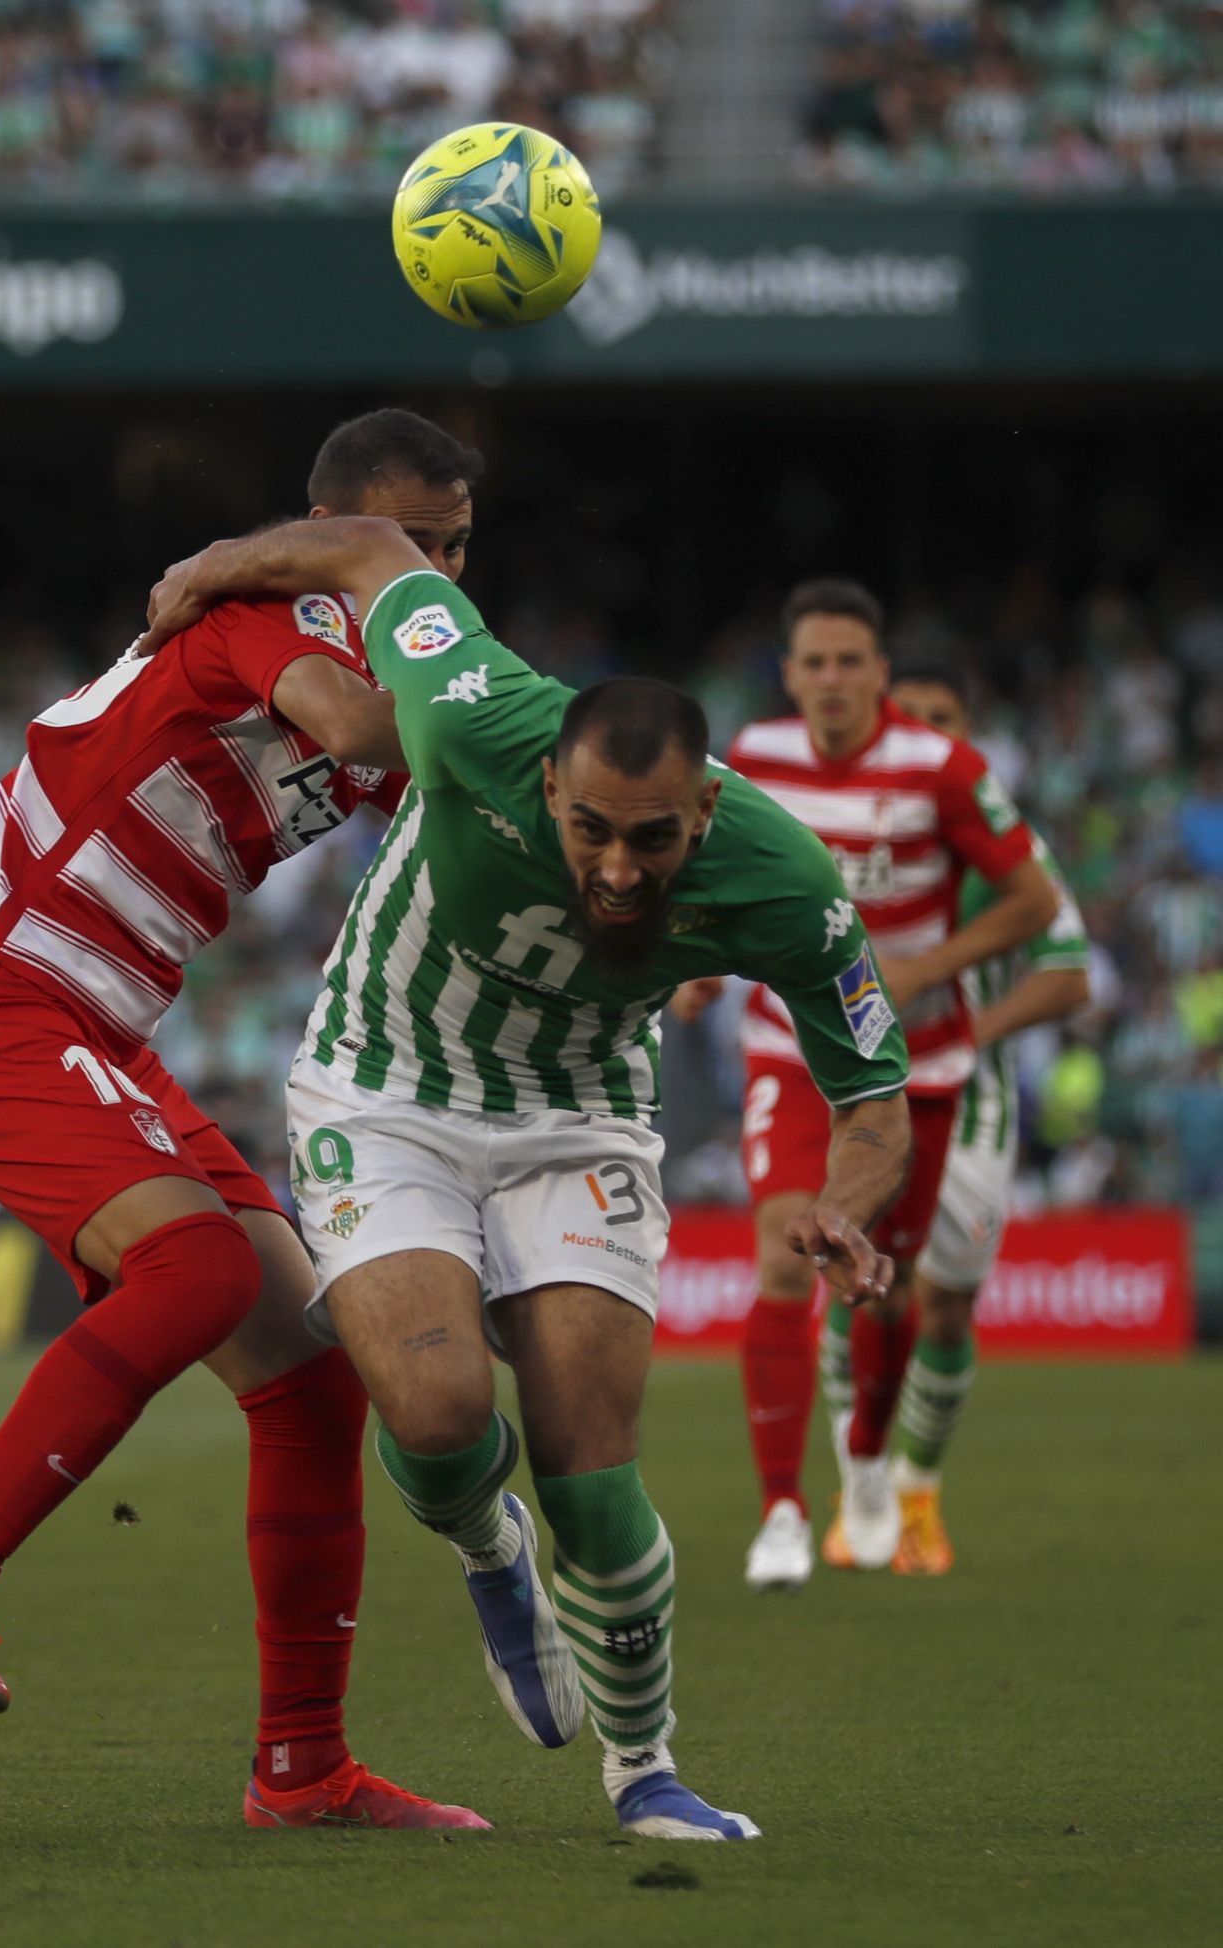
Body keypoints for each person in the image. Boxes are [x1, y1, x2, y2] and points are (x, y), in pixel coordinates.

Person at [139, 514, 914, 1841]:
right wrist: (208, 571)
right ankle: (488, 1549)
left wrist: (844, 1203)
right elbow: (377, 548)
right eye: (594, 831)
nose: (620, 871)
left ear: (707, 810)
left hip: (579, 1115)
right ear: (546, 785)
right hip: (386, 1089)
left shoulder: (787, 881)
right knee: (439, 1418)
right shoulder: (468, 710)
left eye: (656, 841)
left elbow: (876, 1098)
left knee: (591, 1465)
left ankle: (646, 1771)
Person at [0, 409, 493, 1832]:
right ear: (335, 543)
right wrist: (491, 705)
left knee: (313, 1379)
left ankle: (303, 1773)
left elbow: (473, 807)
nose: (435, 576)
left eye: (454, 548)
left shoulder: (366, 639)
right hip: (0, 1000)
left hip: (101, 1031)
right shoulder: (272, 620)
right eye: (405, 547)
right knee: (196, 1269)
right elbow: (356, 724)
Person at [723, 581, 1056, 1590]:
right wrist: (698, 966)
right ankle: (781, 1510)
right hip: (789, 1044)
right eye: (811, 663)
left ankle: (867, 1461)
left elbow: (1034, 901)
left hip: (915, 1062)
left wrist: (925, 968)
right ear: (789, 674)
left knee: (884, 1287)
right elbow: (709, 873)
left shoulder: (943, 769)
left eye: (847, 662)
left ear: (879, 674)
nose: (829, 680)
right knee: (787, 1257)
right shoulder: (751, 759)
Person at [882, 661, 1091, 1574]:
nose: (928, 729)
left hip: (974, 1107)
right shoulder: (853, 833)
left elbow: (1070, 977)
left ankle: (916, 1489)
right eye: (912, 716)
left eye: (944, 718)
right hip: (866, 1096)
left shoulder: (1008, 848)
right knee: (870, 1287)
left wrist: (970, 1030)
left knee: (950, 1305)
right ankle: (861, 1489)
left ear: (964, 736)